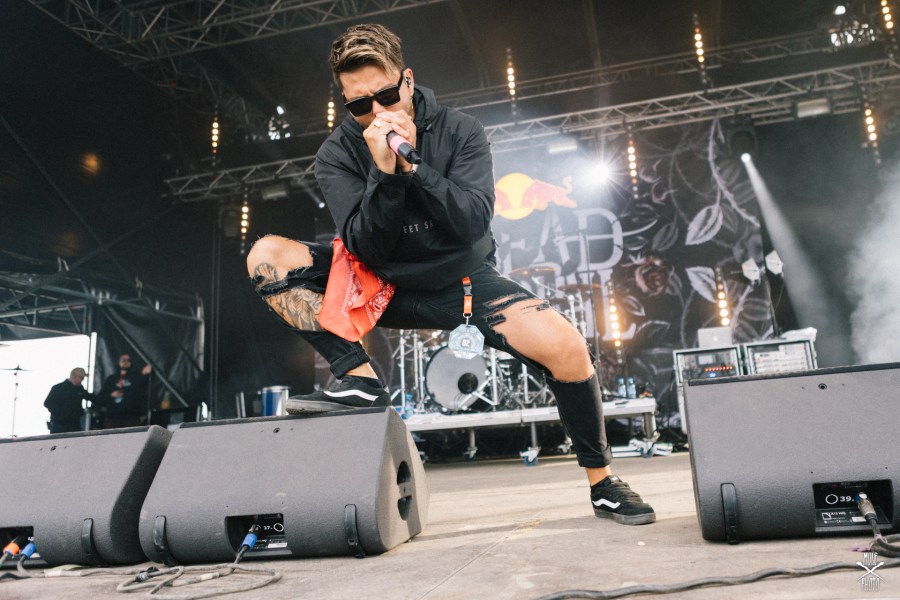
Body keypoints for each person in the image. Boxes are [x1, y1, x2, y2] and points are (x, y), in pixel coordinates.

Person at [246, 23, 655, 525]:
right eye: (359, 105)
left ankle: (603, 484)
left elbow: (471, 222)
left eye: (386, 96)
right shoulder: (337, 154)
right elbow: (367, 246)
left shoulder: (461, 131)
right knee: (267, 255)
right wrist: (384, 174)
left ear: (408, 81)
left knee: (568, 347)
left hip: (461, 280)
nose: (376, 112)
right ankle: (358, 380)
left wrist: (414, 168)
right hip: (378, 283)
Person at [96, 353, 152, 429]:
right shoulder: (111, 379)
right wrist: (111, 395)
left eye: (128, 360)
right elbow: (100, 398)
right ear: (118, 362)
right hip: (112, 418)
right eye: (123, 360)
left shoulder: (137, 376)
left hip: (131, 418)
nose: (126, 362)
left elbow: (142, 392)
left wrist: (144, 373)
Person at [44, 367, 94, 433]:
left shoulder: (80, 389)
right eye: (81, 378)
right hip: (59, 424)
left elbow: (91, 397)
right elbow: (48, 403)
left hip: (74, 424)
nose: (83, 380)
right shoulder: (58, 388)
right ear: (74, 376)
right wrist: (60, 413)